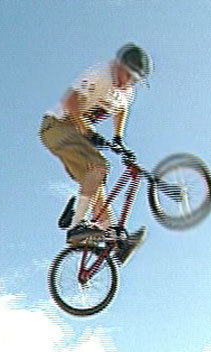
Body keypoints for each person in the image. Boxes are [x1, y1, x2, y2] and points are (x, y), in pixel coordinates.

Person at [39, 42, 151, 266]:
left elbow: (121, 109)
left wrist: (118, 138)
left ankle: (117, 243)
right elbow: (70, 102)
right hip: (57, 126)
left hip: (76, 133)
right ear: (118, 65)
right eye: (127, 75)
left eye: (133, 79)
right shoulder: (100, 74)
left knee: (97, 186)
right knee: (98, 167)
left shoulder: (127, 92)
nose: (127, 81)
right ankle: (76, 227)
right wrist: (87, 130)